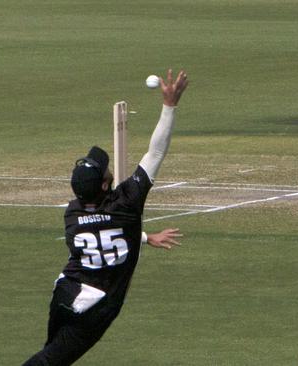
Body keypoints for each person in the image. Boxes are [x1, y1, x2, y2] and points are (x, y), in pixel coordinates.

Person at [24, 68, 189, 365]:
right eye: (104, 172)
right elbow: (155, 154)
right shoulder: (126, 204)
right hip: (95, 307)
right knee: (47, 361)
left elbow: (103, 233)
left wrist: (145, 238)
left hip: (65, 293)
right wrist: (169, 106)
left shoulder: (73, 216)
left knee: (53, 355)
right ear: (104, 184)